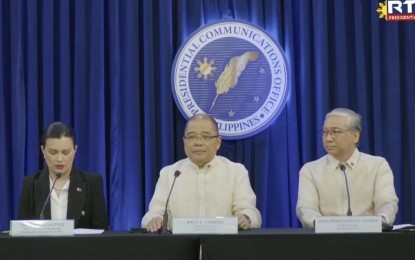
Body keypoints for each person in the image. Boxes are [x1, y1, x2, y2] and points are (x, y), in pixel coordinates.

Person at [142, 114, 261, 232]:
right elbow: (154, 213)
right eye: (191, 136)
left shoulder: (236, 172)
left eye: (205, 136)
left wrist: (245, 217)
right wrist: (154, 219)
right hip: (179, 248)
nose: (198, 142)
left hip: (225, 247)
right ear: (184, 142)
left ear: (218, 142)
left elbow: (250, 212)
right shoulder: (170, 174)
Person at [296, 108, 399, 228]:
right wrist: (325, 226)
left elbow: (387, 203)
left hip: (370, 239)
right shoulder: (310, 170)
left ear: (355, 136)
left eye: (336, 131)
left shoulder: (377, 166)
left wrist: (380, 222)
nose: (328, 138)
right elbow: (306, 209)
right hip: (325, 241)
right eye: (325, 132)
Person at [18, 122, 109, 230]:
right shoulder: (31, 184)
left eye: (65, 152)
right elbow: (21, 231)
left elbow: (102, 232)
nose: (59, 159)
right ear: (43, 151)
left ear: (75, 150)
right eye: (53, 152)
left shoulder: (92, 183)